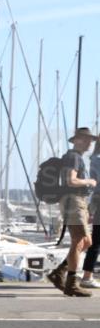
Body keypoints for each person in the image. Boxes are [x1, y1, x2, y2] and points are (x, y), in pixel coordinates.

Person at [46, 127, 98, 297]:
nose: (89, 142)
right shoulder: (73, 157)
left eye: (90, 140)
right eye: (85, 139)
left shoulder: (76, 157)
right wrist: (89, 181)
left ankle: (59, 272)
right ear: (76, 140)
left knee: (87, 241)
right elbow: (71, 180)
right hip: (73, 201)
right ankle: (72, 283)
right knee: (79, 240)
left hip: (78, 201)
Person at [80, 135, 100, 289]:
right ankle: (86, 276)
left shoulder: (95, 158)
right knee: (96, 241)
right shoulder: (97, 159)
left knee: (95, 240)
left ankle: (86, 275)